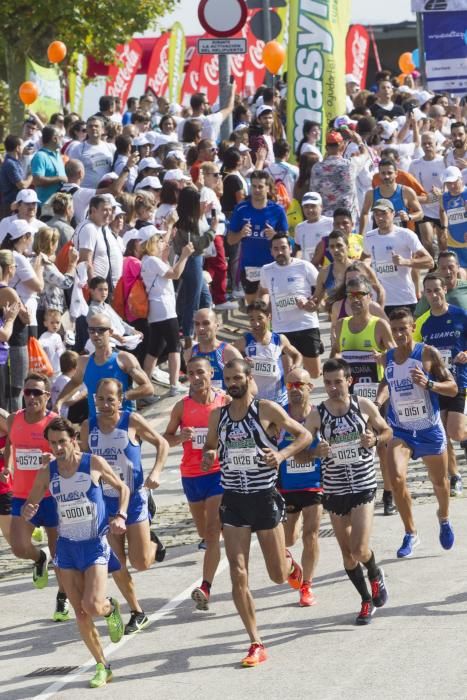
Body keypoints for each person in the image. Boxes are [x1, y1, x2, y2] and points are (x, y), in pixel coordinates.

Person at [202, 358, 312, 667]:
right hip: (234, 498)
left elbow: (303, 435)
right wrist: (209, 455)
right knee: (238, 573)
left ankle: (290, 565)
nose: (232, 382)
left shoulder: (265, 410)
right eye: (228, 378)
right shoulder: (217, 417)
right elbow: (210, 447)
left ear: (249, 379)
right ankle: (255, 642)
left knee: (277, 575)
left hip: (264, 497)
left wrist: (281, 454)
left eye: (237, 377)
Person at [23, 417, 128, 688]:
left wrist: (121, 515)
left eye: (62, 442)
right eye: (53, 443)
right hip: (67, 548)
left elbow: (122, 488)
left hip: (94, 544)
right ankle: (102, 666)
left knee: (92, 606)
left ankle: (109, 609)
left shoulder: (91, 463)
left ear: (73, 440)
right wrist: (29, 510)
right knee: (80, 613)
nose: (57, 448)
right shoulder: (48, 472)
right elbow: (32, 501)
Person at [297, 358, 393, 624]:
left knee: (360, 549)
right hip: (335, 490)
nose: (333, 387)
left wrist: (374, 438)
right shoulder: (317, 415)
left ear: (349, 381)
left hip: (362, 484)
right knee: (348, 555)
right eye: (327, 383)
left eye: (338, 382)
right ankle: (365, 601)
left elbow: (387, 431)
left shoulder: (363, 406)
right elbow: (300, 453)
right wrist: (315, 451)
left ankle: (375, 575)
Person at [80, 378, 168, 634]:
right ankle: (137, 611)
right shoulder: (89, 427)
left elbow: (161, 443)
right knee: (116, 562)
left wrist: (157, 472)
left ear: (120, 401)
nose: (106, 404)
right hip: (106, 503)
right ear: (94, 399)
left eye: (111, 399)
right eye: (101, 398)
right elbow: (85, 462)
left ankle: (152, 543)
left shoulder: (131, 421)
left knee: (141, 562)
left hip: (135, 498)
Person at [375, 307, 458, 558]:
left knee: (440, 483)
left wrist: (429, 384)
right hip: (401, 429)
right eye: (395, 329)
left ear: (412, 328)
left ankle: (443, 518)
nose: (399, 334)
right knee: (397, 477)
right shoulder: (388, 357)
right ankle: (411, 533)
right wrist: (378, 402)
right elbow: (387, 383)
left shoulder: (427, 354)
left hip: (428, 429)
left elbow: (453, 388)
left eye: (403, 329)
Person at [2, 373, 69, 620]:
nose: (31, 397)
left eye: (36, 393)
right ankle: (40, 558)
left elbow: (72, 453)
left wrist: (54, 458)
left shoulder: (54, 423)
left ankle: (62, 597)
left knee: (60, 555)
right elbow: (11, 443)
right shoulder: (13, 419)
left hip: (52, 496)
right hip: (23, 496)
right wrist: (8, 464)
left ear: (47, 396)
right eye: (27, 392)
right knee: (19, 547)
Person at [164, 356, 229, 611]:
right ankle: (229, 530)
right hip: (191, 475)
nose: (196, 377)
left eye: (200, 372)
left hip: (217, 473)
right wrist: (180, 436)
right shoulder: (182, 407)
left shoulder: (224, 401)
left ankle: (205, 586)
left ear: (211, 373)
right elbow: (166, 439)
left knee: (212, 532)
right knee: (204, 533)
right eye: (191, 373)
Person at [332, 275, 397, 516]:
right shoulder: (340, 325)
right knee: (352, 445)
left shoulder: (379, 325)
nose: (356, 300)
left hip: (377, 396)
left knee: (382, 448)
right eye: (351, 296)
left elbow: (394, 363)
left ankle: (388, 493)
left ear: (370, 297)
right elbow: (335, 357)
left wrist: (383, 358)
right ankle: (355, 492)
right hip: (351, 401)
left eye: (361, 295)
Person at [414, 274, 467, 497]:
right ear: (424, 294)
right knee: (444, 434)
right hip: (437, 384)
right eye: (429, 291)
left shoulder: (460, 315)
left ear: (444, 289)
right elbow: (416, 352)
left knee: (456, 431)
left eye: (437, 290)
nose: (434, 295)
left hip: (460, 380)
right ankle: (454, 477)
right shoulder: (423, 323)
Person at [277, 368, 323, 607]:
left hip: (314, 484)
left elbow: (327, 448)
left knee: (311, 534)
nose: (295, 389)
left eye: (300, 385)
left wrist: (315, 453)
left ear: (310, 387)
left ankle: (307, 586)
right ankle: (293, 565)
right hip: (287, 485)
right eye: (290, 385)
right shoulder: (280, 416)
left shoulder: (318, 415)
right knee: (288, 538)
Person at [54, 313, 153, 418]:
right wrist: (59, 402)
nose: (96, 334)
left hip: (123, 422)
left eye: (100, 330)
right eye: (92, 330)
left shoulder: (124, 359)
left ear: (110, 332)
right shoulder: (83, 362)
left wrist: (120, 397)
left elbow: (148, 388)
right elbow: (75, 383)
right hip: (96, 424)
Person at [140, 225, 194, 397]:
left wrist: (168, 245)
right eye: (160, 240)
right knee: (174, 347)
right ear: (152, 242)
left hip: (156, 310)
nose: (164, 242)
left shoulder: (148, 260)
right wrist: (185, 255)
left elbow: (166, 267)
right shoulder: (152, 261)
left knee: (154, 350)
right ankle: (174, 385)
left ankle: (146, 390)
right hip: (164, 309)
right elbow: (175, 273)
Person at [258, 233, 321, 379]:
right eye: (276, 249)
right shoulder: (266, 270)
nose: (280, 252)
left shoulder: (304, 266)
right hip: (282, 329)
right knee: (290, 374)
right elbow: (264, 291)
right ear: (271, 251)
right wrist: (263, 303)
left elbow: (320, 288)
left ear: (290, 249)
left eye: (283, 248)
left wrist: (311, 301)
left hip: (306, 325)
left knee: (314, 373)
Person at [362, 199, 433, 315]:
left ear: (393, 214)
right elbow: (364, 259)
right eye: (376, 214)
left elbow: (430, 262)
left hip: (404, 298)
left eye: (384, 213)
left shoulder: (406, 235)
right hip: (379, 300)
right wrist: (365, 264)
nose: (380, 218)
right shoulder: (369, 237)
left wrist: (406, 262)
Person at [227, 169, 288, 304]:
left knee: (267, 301)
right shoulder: (241, 209)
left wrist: (275, 235)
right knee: (253, 306)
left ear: (267, 188)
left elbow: (287, 240)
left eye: (260, 186)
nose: (257, 190)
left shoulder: (277, 210)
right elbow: (230, 240)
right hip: (249, 266)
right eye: (254, 186)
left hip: (272, 264)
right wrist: (241, 234)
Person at [234, 300, 302, 405]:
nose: (256, 323)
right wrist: (241, 363)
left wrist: (295, 366)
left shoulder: (279, 339)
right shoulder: (244, 341)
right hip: (254, 400)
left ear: (269, 317)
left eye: (260, 318)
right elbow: (227, 358)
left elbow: (297, 355)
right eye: (252, 319)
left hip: (279, 399)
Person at [359, 158, 423, 235]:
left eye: (389, 173)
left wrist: (409, 217)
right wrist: (360, 235)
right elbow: (364, 213)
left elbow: (420, 213)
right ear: (379, 174)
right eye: (383, 173)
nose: (386, 176)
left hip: (401, 237)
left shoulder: (406, 192)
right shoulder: (371, 194)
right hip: (380, 238)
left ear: (396, 174)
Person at [186, 309, 242, 389]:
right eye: (197, 324)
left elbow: (249, 386)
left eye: (206, 323)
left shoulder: (230, 353)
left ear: (217, 325)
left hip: (224, 400)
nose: (201, 328)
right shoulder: (189, 353)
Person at [415, 251, 467, 317]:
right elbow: (417, 317)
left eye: (451, 267)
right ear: (438, 269)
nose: (448, 272)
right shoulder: (431, 291)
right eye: (443, 268)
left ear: (458, 268)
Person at [439, 166, 467, 270]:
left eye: (454, 182)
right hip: (453, 243)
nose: (452, 186)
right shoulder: (444, 197)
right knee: (458, 274)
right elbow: (442, 211)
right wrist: (444, 228)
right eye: (448, 183)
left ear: (461, 179)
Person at [293, 192, 333, 263]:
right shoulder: (299, 227)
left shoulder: (331, 223)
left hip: (327, 267)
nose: (310, 210)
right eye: (306, 206)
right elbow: (298, 248)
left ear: (321, 206)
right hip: (308, 269)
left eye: (313, 206)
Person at [30, 126, 67, 204]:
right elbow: (37, 181)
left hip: (59, 207)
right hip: (45, 208)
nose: (62, 139)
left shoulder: (58, 155)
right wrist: (59, 178)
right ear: (54, 139)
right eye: (61, 136)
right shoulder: (40, 156)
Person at [0, 134, 32, 217]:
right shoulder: (10, 164)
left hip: (14, 204)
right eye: (22, 146)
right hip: (10, 206)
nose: (23, 148)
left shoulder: (14, 162)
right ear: (17, 148)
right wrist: (31, 175)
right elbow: (22, 185)